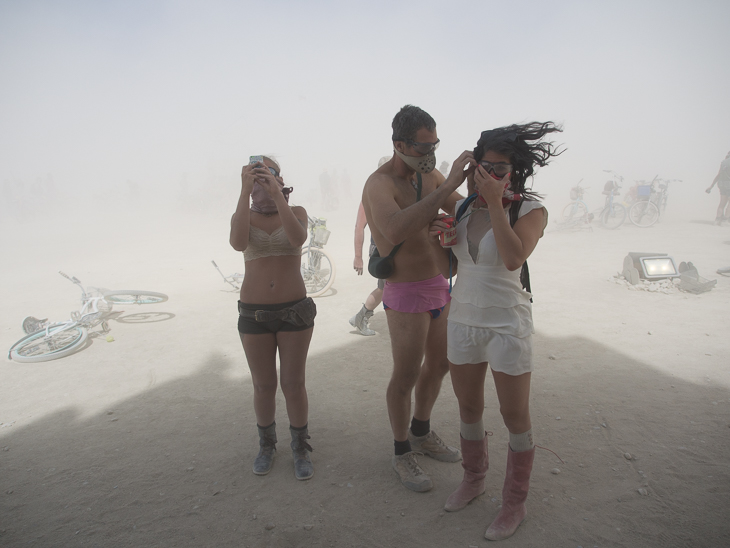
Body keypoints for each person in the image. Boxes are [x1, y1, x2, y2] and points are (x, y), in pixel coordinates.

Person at [430, 123, 562, 540]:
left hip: (507, 322)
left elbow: (511, 258)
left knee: (513, 415)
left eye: (500, 169)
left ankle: (514, 501)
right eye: (483, 166)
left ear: (515, 171)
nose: (489, 175)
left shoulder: (531, 210)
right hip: (464, 318)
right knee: (468, 407)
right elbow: (449, 268)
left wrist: (497, 203)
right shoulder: (466, 207)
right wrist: (441, 239)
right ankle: (474, 478)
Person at [362, 104, 475, 492]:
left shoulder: (430, 176)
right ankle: (401, 451)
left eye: (435, 145)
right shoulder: (379, 184)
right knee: (406, 374)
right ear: (399, 144)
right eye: (423, 147)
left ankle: (421, 431)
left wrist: (482, 190)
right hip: (406, 291)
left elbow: (459, 205)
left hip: (439, 284)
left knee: (440, 364)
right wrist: (442, 191)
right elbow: (393, 230)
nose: (430, 155)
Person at [230, 156, 316, 481]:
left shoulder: (296, 213)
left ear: (280, 178)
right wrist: (243, 192)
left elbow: (297, 239)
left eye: (266, 174)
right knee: (263, 385)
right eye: (254, 176)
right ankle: (266, 445)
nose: (259, 182)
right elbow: (238, 242)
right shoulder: (243, 214)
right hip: (253, 313)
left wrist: (276, 193)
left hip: (294, 309)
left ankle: (300, 447)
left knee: (293, 384)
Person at [349, 156, 391, 336]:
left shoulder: (396, 191)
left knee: (387, 288)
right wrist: (358, 256)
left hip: (393, 249)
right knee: (386, 288)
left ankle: (360, 317)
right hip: (381, 250)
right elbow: (359, 226)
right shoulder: (371, 194)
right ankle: (361, 317)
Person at [706, 151, 730, 225]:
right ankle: (725, 220)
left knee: (722, 203)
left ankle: (717, 219)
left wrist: (711, 186)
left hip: (721, 184)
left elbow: (718, 175)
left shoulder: (723, 162)